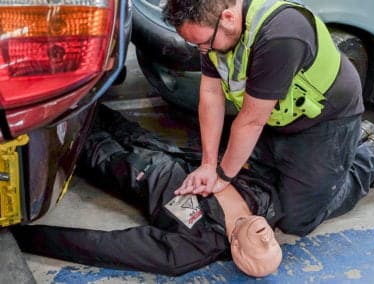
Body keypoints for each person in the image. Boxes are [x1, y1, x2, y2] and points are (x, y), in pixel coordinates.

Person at [162, 0, 374, 236]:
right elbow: (211, 94)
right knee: (257, 179)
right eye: (196, 45)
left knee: (297, 219)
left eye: (204, 43)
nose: (203, 51)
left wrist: (222, 175)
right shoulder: (215, 33)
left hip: (326, 120)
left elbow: (251, 121)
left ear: (228, 18)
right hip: (278, 118)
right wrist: (208, 164)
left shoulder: (280, 35)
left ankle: (371, 155)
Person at [12, 107, 283, 277]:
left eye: (260, 252)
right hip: (159, 145)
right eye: (273, 245)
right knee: (87, 103)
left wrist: (18, 238)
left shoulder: (192, 247)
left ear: (237, 251)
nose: (267, 240)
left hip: (122, 165)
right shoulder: (268, 202)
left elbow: (104, 247)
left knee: (59, 128)